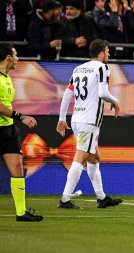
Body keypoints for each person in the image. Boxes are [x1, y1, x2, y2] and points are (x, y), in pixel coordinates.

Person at [56, 39, 123, 209]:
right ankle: (64, 199)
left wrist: (62, 118)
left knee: (94, 157)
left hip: (77, 119)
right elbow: (102, 92)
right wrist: (115, 101)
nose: (108, 55)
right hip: (89, 120)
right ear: (101, 54)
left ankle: (102, 197)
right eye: (107, 52)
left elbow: (67, 94)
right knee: (81, 157)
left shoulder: (78, 68)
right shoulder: (102, 67)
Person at [0, 43, 43, 222]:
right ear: (8, 58)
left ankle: (21, 212)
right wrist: (21, 117)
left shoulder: (8, 78)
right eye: (16, 55)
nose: (18, 59)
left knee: (17, 168)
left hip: (8, 130)